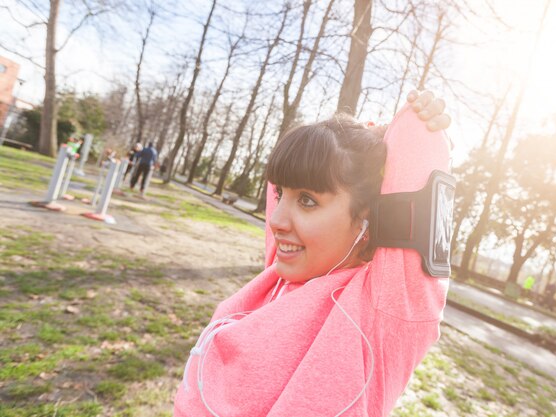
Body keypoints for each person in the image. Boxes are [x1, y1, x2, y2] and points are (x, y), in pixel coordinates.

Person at [174, 90, 451, 417]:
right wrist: (362, 142)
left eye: (307, 200)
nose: (275, 221)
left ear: (367, 219)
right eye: (280, 195)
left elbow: (416, 152)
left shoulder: (382, 312)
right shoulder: (277, 276)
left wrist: (411, 129)